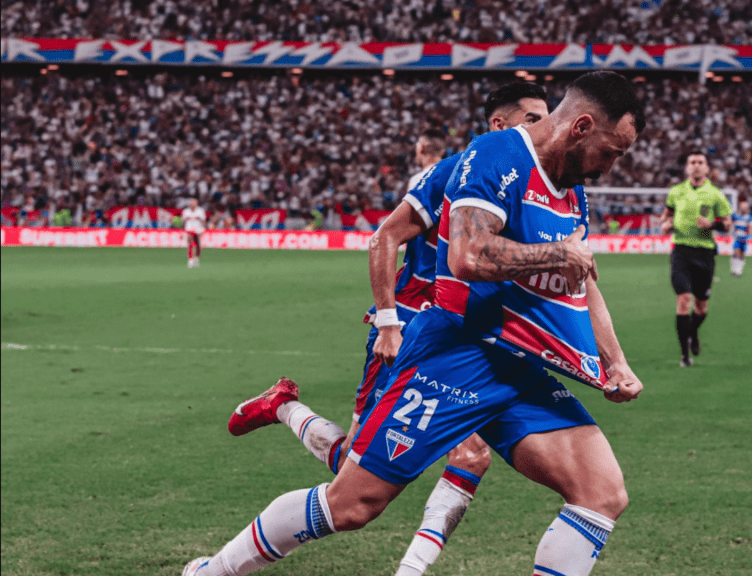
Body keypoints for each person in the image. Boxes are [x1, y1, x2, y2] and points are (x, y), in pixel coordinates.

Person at [182, 71, 645, 576]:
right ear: (581, 127)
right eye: (611, 152)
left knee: (602, 493)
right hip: (456, 356)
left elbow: (582, 280)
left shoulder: (572, 190)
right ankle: (213, 572)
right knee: (351, 504)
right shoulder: (495, 155)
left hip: (518, 367)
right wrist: (557, 253)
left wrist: (616, 362)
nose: (610, 166)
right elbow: (467, 255)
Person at [659, 153, 732, 367]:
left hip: (705, 253)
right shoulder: (676, 191)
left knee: (701, 307)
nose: (697, 166)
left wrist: (712, 225)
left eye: (701, 162)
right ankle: (685, 356)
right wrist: (666, 224)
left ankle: (693, 332)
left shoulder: (716, 194)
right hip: (681, 251)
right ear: (687, 168)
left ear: (707, 168)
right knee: (683, 300)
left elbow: (728, 224)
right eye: (693, 162)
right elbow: (666, 215)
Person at [729, 199, 752, 277]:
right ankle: (735, 270)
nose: (744, 208)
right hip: (737, 236)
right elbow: (730, 224)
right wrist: (728, 233)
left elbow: (750, 226)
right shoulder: (735, 215)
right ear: (740, 207)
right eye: (743, 207)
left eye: (745, 207)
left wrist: (750, 235)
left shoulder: (749, 216)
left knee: (742, 254)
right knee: (736, 252)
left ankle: (739, 270)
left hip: (744, 237)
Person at [181, 198, 207, 268]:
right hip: (189, 229)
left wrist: (202, 228)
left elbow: (204, 220)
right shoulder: (186, 211)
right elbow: (183, 221)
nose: (193, 204)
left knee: (198, 245)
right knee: (190, 244)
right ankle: (190, 260)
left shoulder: (200, 211)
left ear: (197, 204)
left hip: (198, 229)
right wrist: (182, 231)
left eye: (194, 203)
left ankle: (196, 258)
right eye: (192, 203)